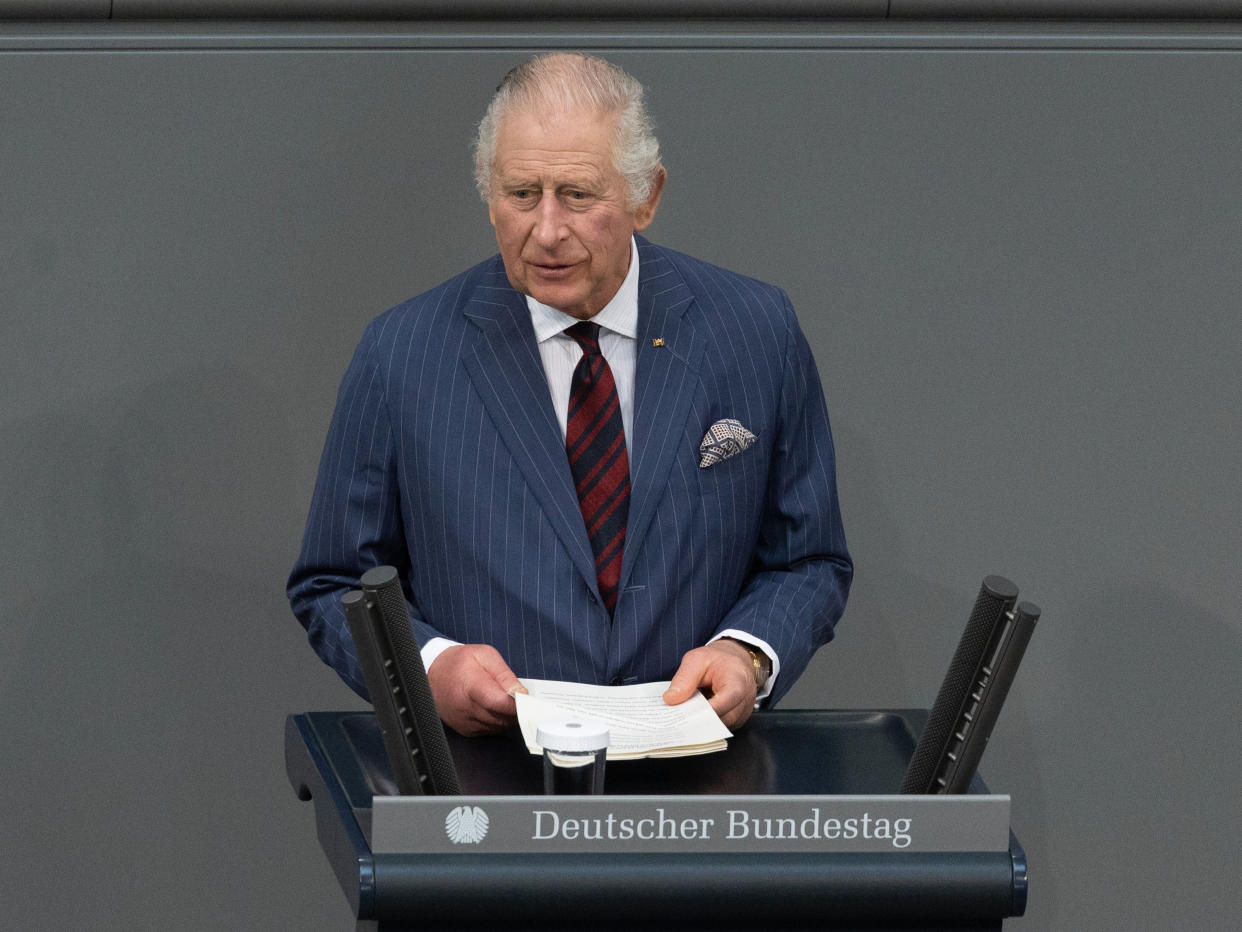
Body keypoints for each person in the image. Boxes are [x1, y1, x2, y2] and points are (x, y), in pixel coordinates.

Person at [287, 52, 851, 737]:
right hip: (489, 783)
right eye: (522, 194)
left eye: (578, 195)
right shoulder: (403, 353)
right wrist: (429, 666)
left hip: (701, 774)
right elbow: (333, 584)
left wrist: (749, 654)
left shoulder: (756, 332)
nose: (547, 230)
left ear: (648, 196)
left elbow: (808, 559)